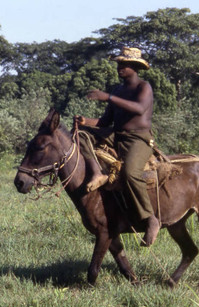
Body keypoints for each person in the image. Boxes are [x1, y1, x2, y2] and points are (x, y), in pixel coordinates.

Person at [74, 46, 160, 246]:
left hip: (138, 139)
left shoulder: (143, 87)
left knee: (130, 172)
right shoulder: (118, 90)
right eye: (119, 64)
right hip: (116, 135)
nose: (120, 67)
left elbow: (139, 109)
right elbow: (105, 122)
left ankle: (150, 219)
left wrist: (108, 97)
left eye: (124, 64)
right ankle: (96, 173)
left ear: (134, 67)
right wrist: (86, 121)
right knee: (82, 134)